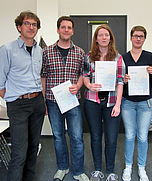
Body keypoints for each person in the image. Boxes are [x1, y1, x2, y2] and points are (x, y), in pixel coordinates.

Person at [0, 11, 46, 181]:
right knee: (19, 151)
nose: (31, 27)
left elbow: (39, 77)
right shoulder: (7, 49)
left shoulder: (39, 51)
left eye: (34, 24)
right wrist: (14, 99)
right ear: (19, 27)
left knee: (33, 147)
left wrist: (41, 101)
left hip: (37, 103)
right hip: (18, 106)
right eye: (27, 24)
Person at [41, 16, 89, 181]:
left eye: (69, 27)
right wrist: (43, 101)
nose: (66, 30)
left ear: (72, 31)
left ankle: (78, 171)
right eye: (63, 27)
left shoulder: (80, 52)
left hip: (72, 100)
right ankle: (62, 167)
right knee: (58, 136)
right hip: (53, 102)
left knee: (76, 137)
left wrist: (78, 85)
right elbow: (43, 77)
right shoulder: (47, 51)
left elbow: (83, 74)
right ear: (58, 29)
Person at [83, 24, 125, 181]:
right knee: (95, 137)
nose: (103, 38)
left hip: (112, 103)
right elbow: (85, 75)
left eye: (106, 35)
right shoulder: (88, 57)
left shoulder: (118, 58)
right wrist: (88, 85)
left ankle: (111, 171)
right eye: (100, 35)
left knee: (112, 138)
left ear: (110, 38)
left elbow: (120, 81)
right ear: (96, 39)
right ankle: (97, 170)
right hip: (92, 102)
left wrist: (118, 104)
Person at [121, 26, 152, 181]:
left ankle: (142, 168)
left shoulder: (150, 56)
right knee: (130, 136)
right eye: (136, 36)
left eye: (141, 36)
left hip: (146, 103)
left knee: (143, 137)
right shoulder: (123, 57)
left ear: (144, 39)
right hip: (127, 102)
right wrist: (122, 80)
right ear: (131, 38)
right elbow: (119, 82)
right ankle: (128, 167)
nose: (138, 38)